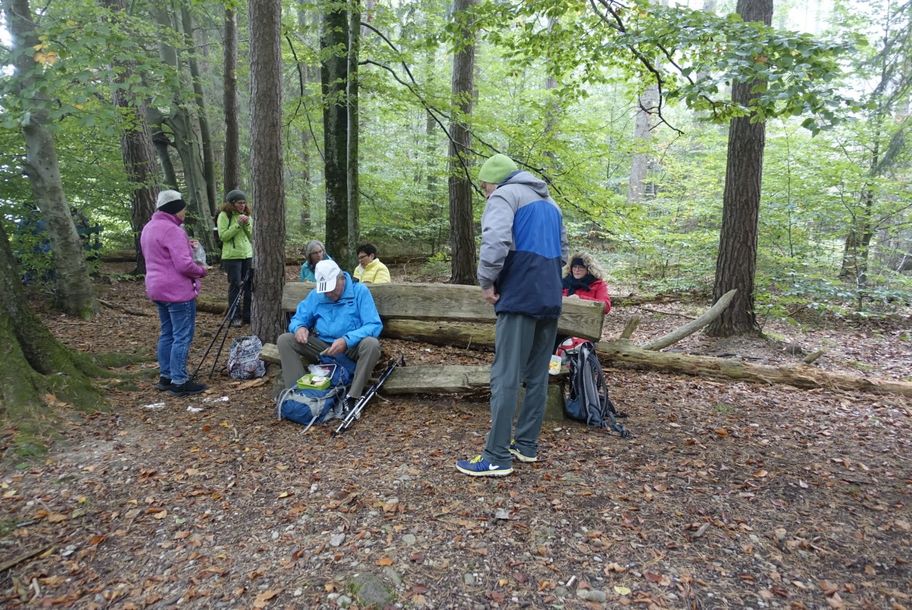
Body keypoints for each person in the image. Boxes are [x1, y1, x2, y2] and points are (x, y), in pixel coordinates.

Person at [456, 153, 568, 477]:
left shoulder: (505, 195)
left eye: (484, 187)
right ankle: (526, 445)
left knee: (505, 375)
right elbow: (562, 247)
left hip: (519, 293)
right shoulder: (552, 205)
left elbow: (496, 240)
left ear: (492, 181)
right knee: (536, 374)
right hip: (550, 294)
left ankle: (496, 456)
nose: (486, 193)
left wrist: (487, 281)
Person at [277, 259, 383, 413]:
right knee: (285, 340)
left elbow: (374, 325)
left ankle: (352, 396)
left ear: (341, 278)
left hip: (351, 348)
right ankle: (298, 394)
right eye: (325, 290)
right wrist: (299, 328)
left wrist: (347, 340)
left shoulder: (359, 291)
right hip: (324, 349)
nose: (329, 294)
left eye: (332, 289)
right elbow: (299, 318)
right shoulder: (316, 296)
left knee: (371, 344)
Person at [140, 189, 209, 396]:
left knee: (167, 333)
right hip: (177, 291)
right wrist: (202, 271)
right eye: (183, 210)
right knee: (182, 335)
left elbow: (160, 255)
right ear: (175, 210)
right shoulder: (173, 231)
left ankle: (166, 376)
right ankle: (179, 380)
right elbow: (184, 265)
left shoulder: (149, 227)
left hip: (156, 288)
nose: (184, 214)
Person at [216, 189, 253, 326]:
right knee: (235, 285)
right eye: (239, 203)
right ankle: (234, 316)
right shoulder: (224, 215)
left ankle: (248, 315)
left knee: (248, 286)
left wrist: (247, 223)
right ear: (232, 203)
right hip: (231, 257)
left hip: (247, 255)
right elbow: (223, 236)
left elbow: (252, 236)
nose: (242, 205)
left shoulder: (247, 215)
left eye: (244, 202)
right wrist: (238, 225)